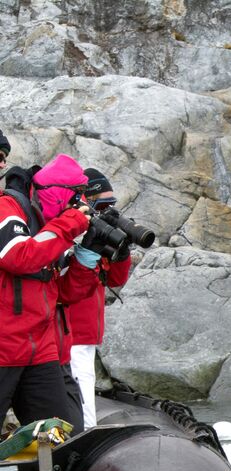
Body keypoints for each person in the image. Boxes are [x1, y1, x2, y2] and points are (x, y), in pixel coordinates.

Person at [0, 153, 101, 431]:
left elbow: (64, 294)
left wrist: (88, 257)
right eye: (76, 196)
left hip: (39, 350)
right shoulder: (8, 207)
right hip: (4, 349)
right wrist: (69, 225)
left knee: (63, 437)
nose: (78, 206)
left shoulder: (49, 228)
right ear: (58, 194)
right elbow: (19, 257)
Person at [66, 168, 132, 429]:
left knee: (83, 384)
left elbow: (114, 279)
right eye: (101, 204)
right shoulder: (73, 228)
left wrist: (122, 250)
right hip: (70, 330)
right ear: (85, 200)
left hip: (87, 332)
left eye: (111, 204)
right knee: (79, 395)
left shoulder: (98, 231)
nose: (106, 210)